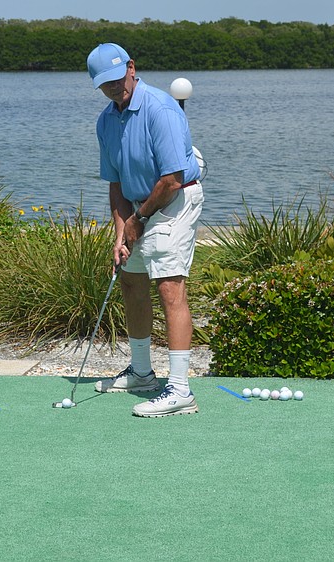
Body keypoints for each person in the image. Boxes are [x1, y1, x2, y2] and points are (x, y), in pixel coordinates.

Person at [86, 43, 204, 418]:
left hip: (177, 199)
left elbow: (171, 179)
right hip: (139, 204)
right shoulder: (106, 121)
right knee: (131, 279)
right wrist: (121, 232)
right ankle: (141, 374)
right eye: (105, 84)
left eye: (118, 79)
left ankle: (181, 390)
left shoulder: (161, 109)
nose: (114, 88)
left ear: (132, 68)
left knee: (169, 284)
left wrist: (138, 220)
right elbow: (117, 183)